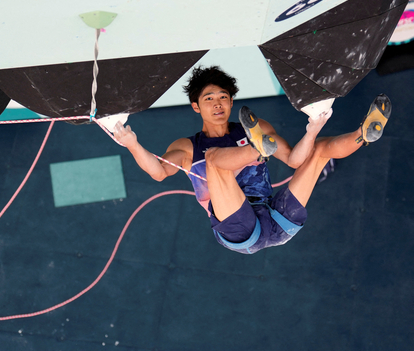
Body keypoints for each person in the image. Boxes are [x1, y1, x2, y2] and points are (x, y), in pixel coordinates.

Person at [113, 66, 391, 254]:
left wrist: (312, 131)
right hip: (264, 228)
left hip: (261, 222)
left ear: (232, 102)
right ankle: (256, 152)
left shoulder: (255, 128)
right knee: (213, 160)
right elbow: (159, 172)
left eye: (223, 96)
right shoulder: (188, 147)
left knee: (317, 151)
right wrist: (133, 144)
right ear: (196, 106)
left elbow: (295, 160)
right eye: (209, 98)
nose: (218, 103)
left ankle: (362, 134)